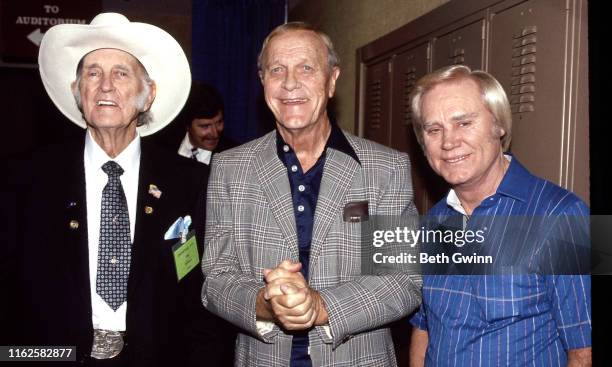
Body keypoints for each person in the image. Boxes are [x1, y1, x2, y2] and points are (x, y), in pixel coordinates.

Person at [5, 13, 226, 366]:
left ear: (148, 94)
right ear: (78, 92)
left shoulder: (191, 183)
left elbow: (202, 298)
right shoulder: (24, 180)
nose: (105, 85)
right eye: (92, 73)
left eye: (121, 73)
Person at [201, 22, 422, 366]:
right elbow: (215, 279)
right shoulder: (230, 168)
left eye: (306, 67)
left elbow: (403, 282)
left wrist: (320, 307)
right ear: (263, 81)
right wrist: (264, 303)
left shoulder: (385, 168)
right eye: (277, 70)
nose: (290, 83)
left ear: (332, 79)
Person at [408, 65, 591, 366]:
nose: (449, 142)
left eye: (464, 123)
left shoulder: (565, 216)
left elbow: (584, 350)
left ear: (498, 125)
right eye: (433, 129)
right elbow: (424, 326)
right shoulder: (430, 224)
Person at [177, 81, 237, 165]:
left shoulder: (235, 157)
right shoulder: (164, 146)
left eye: (219, 122)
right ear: (187, 125)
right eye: (205, 126)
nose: (215, 134)